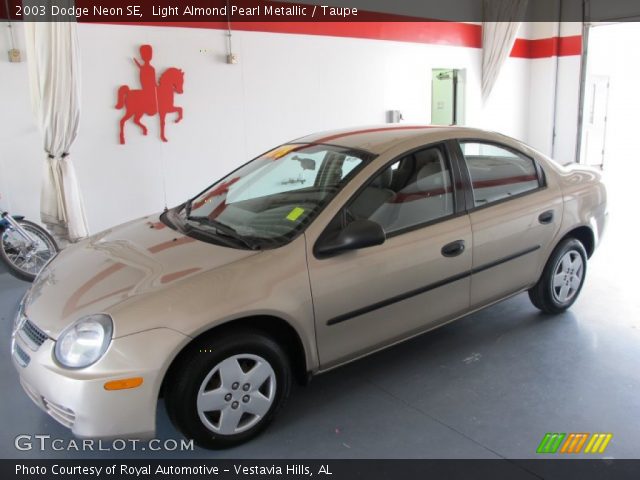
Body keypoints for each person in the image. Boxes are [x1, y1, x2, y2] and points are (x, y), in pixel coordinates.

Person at [133, 45, 158, 115]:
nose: (149, 56)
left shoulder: (151, 68)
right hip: (148, 89)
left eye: (150, 54)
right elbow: (143, 80)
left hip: (151, 88)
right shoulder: (147, 69)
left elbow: (153, 80)